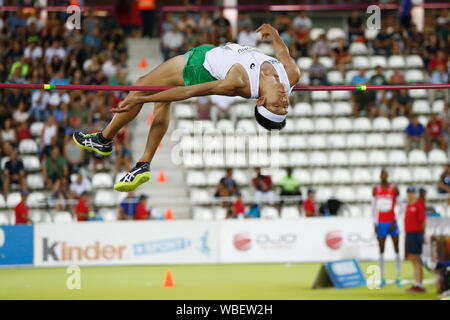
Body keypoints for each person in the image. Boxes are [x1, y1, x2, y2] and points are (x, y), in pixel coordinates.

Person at [74, 24, 301, 192]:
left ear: (260, 101)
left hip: (197, 66)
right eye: (284, 106)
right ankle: (142, 164)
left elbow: (188, 92)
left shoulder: (239, 83)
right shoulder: (291, 75)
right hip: (213, 52)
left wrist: (140, 99)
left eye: (275, 105)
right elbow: (283, 54)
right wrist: (273, 33)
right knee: (161, 102)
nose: (282, 100)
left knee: (141, 87)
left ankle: (103, 140)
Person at [372, 169, 402, 288]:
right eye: (381, 174)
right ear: (380, 176)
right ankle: (382, 278)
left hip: (392, 222)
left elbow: (400, 206)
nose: (383, 176)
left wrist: (396, 219)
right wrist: (374, 223)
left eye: (385, 174)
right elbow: (373, 208)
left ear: (388, 175)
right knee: (381, 250)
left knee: (396, 249)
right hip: (381, 223)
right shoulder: (376, 189)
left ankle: (398, 277)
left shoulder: (394, 189)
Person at [404, 186, 426, 293]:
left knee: (416, 259)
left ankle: (419, 284)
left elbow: (423, 221)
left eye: (411, 192)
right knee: (413, 259)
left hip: (416, 234)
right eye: (408, 192)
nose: (409, 194)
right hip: (409, 234)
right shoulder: (408, 205)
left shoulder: (418, 204)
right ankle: (417, 283)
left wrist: (422, 235)